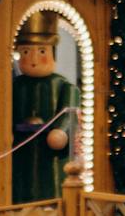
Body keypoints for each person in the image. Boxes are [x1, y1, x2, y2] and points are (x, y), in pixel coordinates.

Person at [10, 13, 76, 204]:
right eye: (25, 52)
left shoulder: (63, 86)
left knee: (52, 188)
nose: (33, 60)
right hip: (23, 150)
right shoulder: (15, 86)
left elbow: (69, 113)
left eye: (41, 52)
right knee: (22, 186)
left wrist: (61, 132)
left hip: (51, 154)